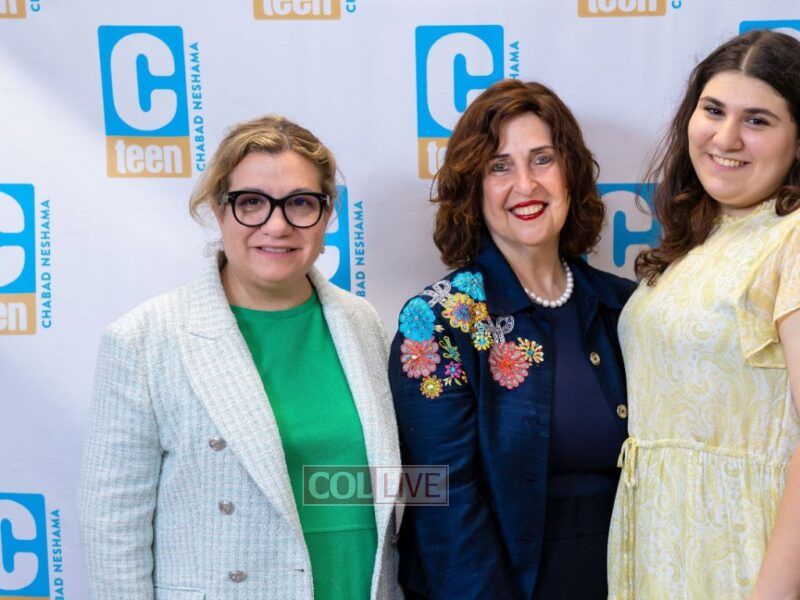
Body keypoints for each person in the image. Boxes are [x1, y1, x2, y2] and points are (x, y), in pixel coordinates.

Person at [78, 115, 402, 600]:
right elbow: (112, 528)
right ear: (219, 209)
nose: (277, 225)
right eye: (251, 202)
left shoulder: (362, 322)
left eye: (300, 203)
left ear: (327, 214)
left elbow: (377, 489)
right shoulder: (144, 340)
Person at [388, 79, 636, 599]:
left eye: (543, 159)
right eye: (499, 167)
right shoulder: (435, 323)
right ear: (473, 189)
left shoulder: (625, 307)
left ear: (570, 174)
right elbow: (440, 500)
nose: (526, 184)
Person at [608, 30, 800, 599]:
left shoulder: (791, 238)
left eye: (757, 120)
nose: (726, 137)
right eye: (713, 110)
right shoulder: (698, 238)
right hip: (662, 549)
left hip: (746, 557)